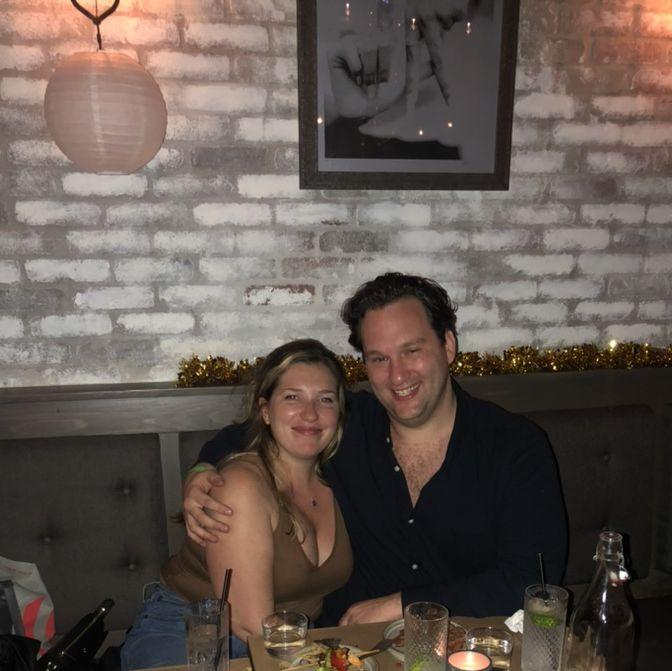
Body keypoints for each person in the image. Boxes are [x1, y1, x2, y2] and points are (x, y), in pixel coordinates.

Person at [184, 273, 568, 625]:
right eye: (379, 358)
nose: (397, 375)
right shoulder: (343, 425)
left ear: (448, 346)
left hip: (467, 643)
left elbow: (533, 581)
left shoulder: (514, 446)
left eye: (411, 350)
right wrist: (202, 471)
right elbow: (254, 431)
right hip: (349, 651)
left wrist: (402, 605)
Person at [121, 340, 353, 669]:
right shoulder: (241, 486)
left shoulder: (341, 480)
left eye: (325, 399)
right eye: (292, 397)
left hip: (289, 643)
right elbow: (250, 625)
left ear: (339, 413)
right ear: (265, 411)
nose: (311, 413)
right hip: (189, 637)